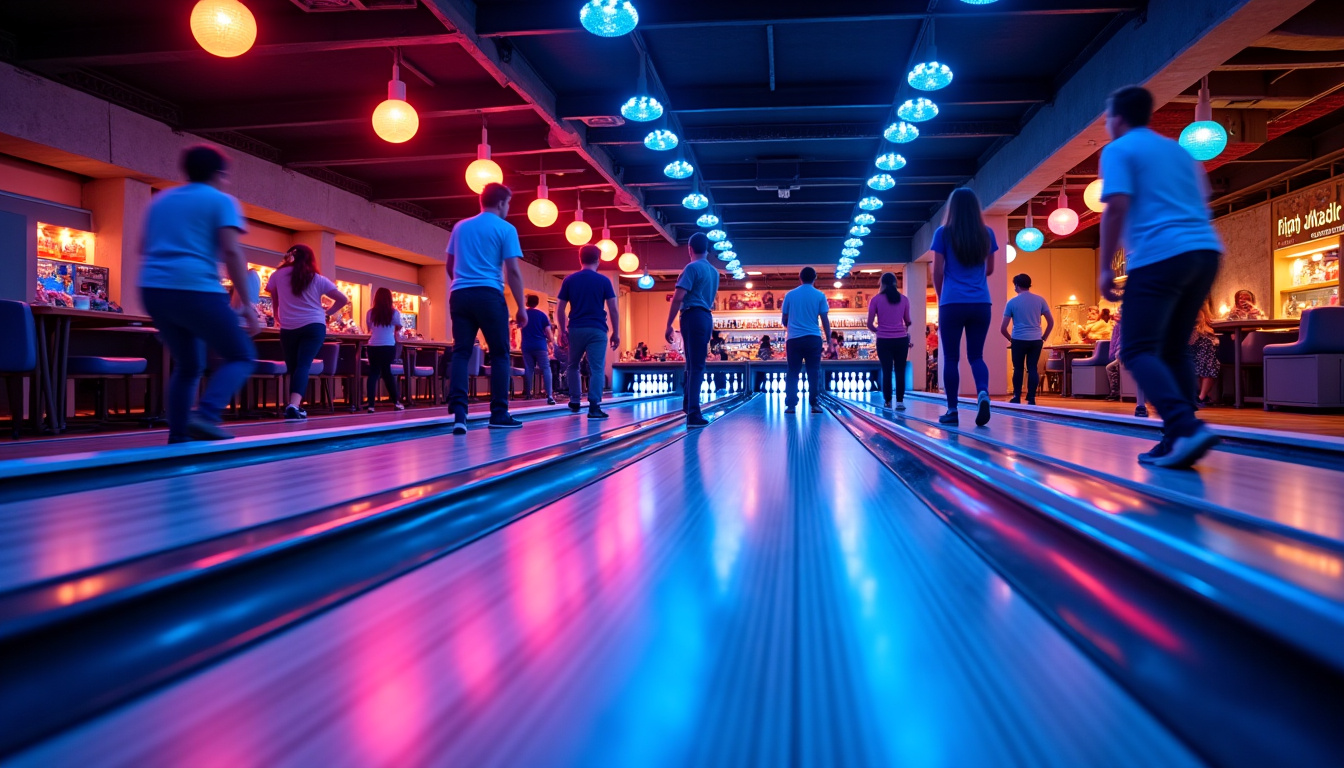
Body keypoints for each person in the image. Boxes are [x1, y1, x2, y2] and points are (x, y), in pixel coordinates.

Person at [1099, 85, 1224, 468]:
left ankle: (1185, 427)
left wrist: (1104, 267)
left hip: (1159, 256)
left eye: (1107, 117)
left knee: (1135, 349)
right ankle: (1175, 440)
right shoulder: (1179, 151)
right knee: (1173, 350)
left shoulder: (1119, 149)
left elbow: (1117, 207)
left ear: (1117, 118)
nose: (1106, 124)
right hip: (1205, 253)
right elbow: (1200, 203)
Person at [139, 145, 257, 444]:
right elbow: (231, 251)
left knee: (189, 364)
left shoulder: (161, 200)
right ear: (219, 174)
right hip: (196, 288)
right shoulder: (221, 201)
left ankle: (179, 434)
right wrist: (248, 304)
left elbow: (142, 247)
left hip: (153, 290)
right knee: (241, 355)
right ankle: (206, 416)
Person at [445, 182, 528, 433]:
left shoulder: (460, 227)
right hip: (489, 295)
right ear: (502, 203)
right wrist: (521, 307)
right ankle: (498, 414)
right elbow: (512, 271)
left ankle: (460, 413)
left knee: (461, 352)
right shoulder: (506, 228)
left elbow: (450, 264)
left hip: (459, 294)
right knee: (500, 353)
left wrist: (462, 282)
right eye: (508, 204)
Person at [932, 187, 997, 427]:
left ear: (953, 208)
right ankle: (983, 393)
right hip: (981, 302)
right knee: (976, 356)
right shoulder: (987, 234)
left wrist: (942, 296)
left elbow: (937, 270)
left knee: (951, 358)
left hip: (952, 302)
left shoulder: (943, 233)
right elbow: (989, 269)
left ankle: (952, 410)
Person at [266, 244, 347, 420]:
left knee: (293, 366)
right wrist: (327, 313)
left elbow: (275, 300)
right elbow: (343, 299)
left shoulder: (277, 275)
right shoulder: (317, 278)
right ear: (310, 259)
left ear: (289, 256)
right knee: (303, 365)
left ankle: (293, 405)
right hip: (314, 325)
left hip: (288, 326)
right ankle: (294, 405)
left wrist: (278, 318)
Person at [557, 244, 620, 418]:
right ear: (598, 260)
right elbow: (613, 308)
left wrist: (562, 330)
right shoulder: (604, 281)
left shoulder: (569, 280)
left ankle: (575, 401)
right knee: (597, 368)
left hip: (576, 328)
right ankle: (594, 407)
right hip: (598, 330)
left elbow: (560, 308)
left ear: (580, 258)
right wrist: (616, 332)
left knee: (572, 365)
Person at [665, 232, 718, 427]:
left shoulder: (691, 268)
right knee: (696, 365)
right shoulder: (714, 272)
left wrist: (668, 324)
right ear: (707, 250)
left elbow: (678, 297)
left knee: (694, 366)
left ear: (689, 249)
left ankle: (693, 413)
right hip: (705, 317)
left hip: (692, 316)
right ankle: (689, 408)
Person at [781, 267, 831, 414]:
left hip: (794, 339)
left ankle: (790, 405)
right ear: (815, 278)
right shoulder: (820, 295)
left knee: (793, 372)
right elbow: (825, 320)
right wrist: (828, 340)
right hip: (813, 338)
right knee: (813, 371)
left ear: (799, 277)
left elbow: (784, 319)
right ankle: (814, 404)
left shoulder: (790, 295)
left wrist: (791, 326)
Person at [1000, 273, 1054, 405]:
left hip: (1018, 339)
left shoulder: (1012, 303)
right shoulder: (1040, 300)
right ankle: (1031, 397)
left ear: (1017, 285)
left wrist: (1011, 339)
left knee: (1018, 368)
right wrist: (1043, 337)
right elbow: (1050, 322)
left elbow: (1003, 328)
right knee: (1032, 368)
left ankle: (1017, 396)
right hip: (1036, 340)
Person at [867, 271, 912, 410]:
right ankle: (900, 402)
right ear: (895, 283)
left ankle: (887, 401)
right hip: (901, 340)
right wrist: (904, 331)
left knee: (886, 370)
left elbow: (869, 324)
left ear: (882, 284)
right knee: (900, 371)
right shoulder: (904, 299)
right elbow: (908, 321)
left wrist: (879, 331)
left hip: (884, 341)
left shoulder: (875, 300)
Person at [365, 286, 403, 412]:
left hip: (373, 345)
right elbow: (399, 327)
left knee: (373, 373)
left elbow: (369, 328)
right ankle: (396, 403)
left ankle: (371, 405)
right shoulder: (394, 313)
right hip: (388, 345)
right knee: (387, 373)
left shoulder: (370, 313)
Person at [520, 294, 555, 404]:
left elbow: (520, 326)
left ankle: (528, 394)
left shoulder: (523, 314)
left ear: (527, 302)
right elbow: (548, 332)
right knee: (545, 368)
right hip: (540, 345)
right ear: (537, 302)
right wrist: (551, 343)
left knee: (529, 369)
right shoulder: (542, 315)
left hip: (526, 345)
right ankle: (549, 395)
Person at [1191, 307, 1220, 407]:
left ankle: (1202, 397)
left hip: (1199, 350)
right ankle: (1203, 396)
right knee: (1208, 364)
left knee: (1208, 364)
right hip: (1194, 350)